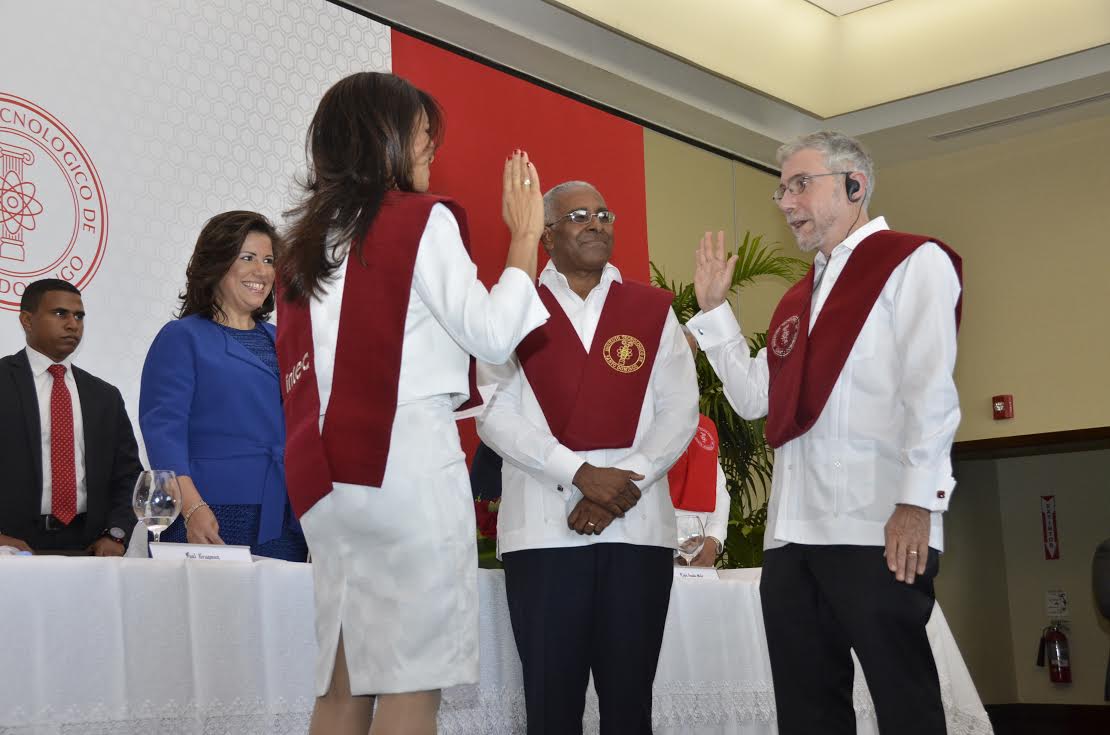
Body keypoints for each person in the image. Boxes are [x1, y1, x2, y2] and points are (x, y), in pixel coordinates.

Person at [275, 72, 549, 735]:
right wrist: (522, 236)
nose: (429, 147)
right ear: (386, 138)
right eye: (423, 134)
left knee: (342, 687)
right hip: (407, 471)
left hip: (329, 480)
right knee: (408, 687)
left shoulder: (306, 243)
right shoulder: (420, 222)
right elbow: (489, 332)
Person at [689, 131, 962, 735]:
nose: (786, 203)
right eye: (781, 188)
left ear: (855, 185)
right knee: (807, 710)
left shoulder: (913, 263)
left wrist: (918, 502)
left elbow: (930, 392)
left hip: (877, 525)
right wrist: (714, 312)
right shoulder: (797, 297)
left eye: (800, 184)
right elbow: (756, 397)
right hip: (792, 536)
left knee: (904, 702)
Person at [476, 180, 698, 734]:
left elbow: (680, 411)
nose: (597, 222)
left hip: (638, 530)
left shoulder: (649, 310)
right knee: (552, 709)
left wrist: (625, 484)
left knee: (629, 709)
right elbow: (494, 412)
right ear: (546, 235)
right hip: (543, 535)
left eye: (604, 212)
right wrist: (579, 474)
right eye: (579, 215)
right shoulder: (513, 306)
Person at [139, 211, 306, 561]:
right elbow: (163, 432)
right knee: (208, 615)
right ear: (216, 263)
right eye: (247, 258)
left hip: (283, 515)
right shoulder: (182, 337)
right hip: (209, 512)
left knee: (279, 615)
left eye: (268, 260)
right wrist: (191, 507)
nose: (261, 271)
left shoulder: (287, 341)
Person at [0, 279, 141, 555]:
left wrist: (116, 534)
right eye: (60, 313)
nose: (72, 324)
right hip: (11, 549)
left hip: (89, 547)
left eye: (79, 316)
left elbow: (128, 476)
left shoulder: (105, 396)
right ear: (27, 321)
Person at [669, 326, 729, 567]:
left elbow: (719, 488)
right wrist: (674, 552)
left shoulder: (704, 425)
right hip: (654, 554)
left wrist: (714, 539)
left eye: (690, 357)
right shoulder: (635, 421)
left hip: (700, 556)